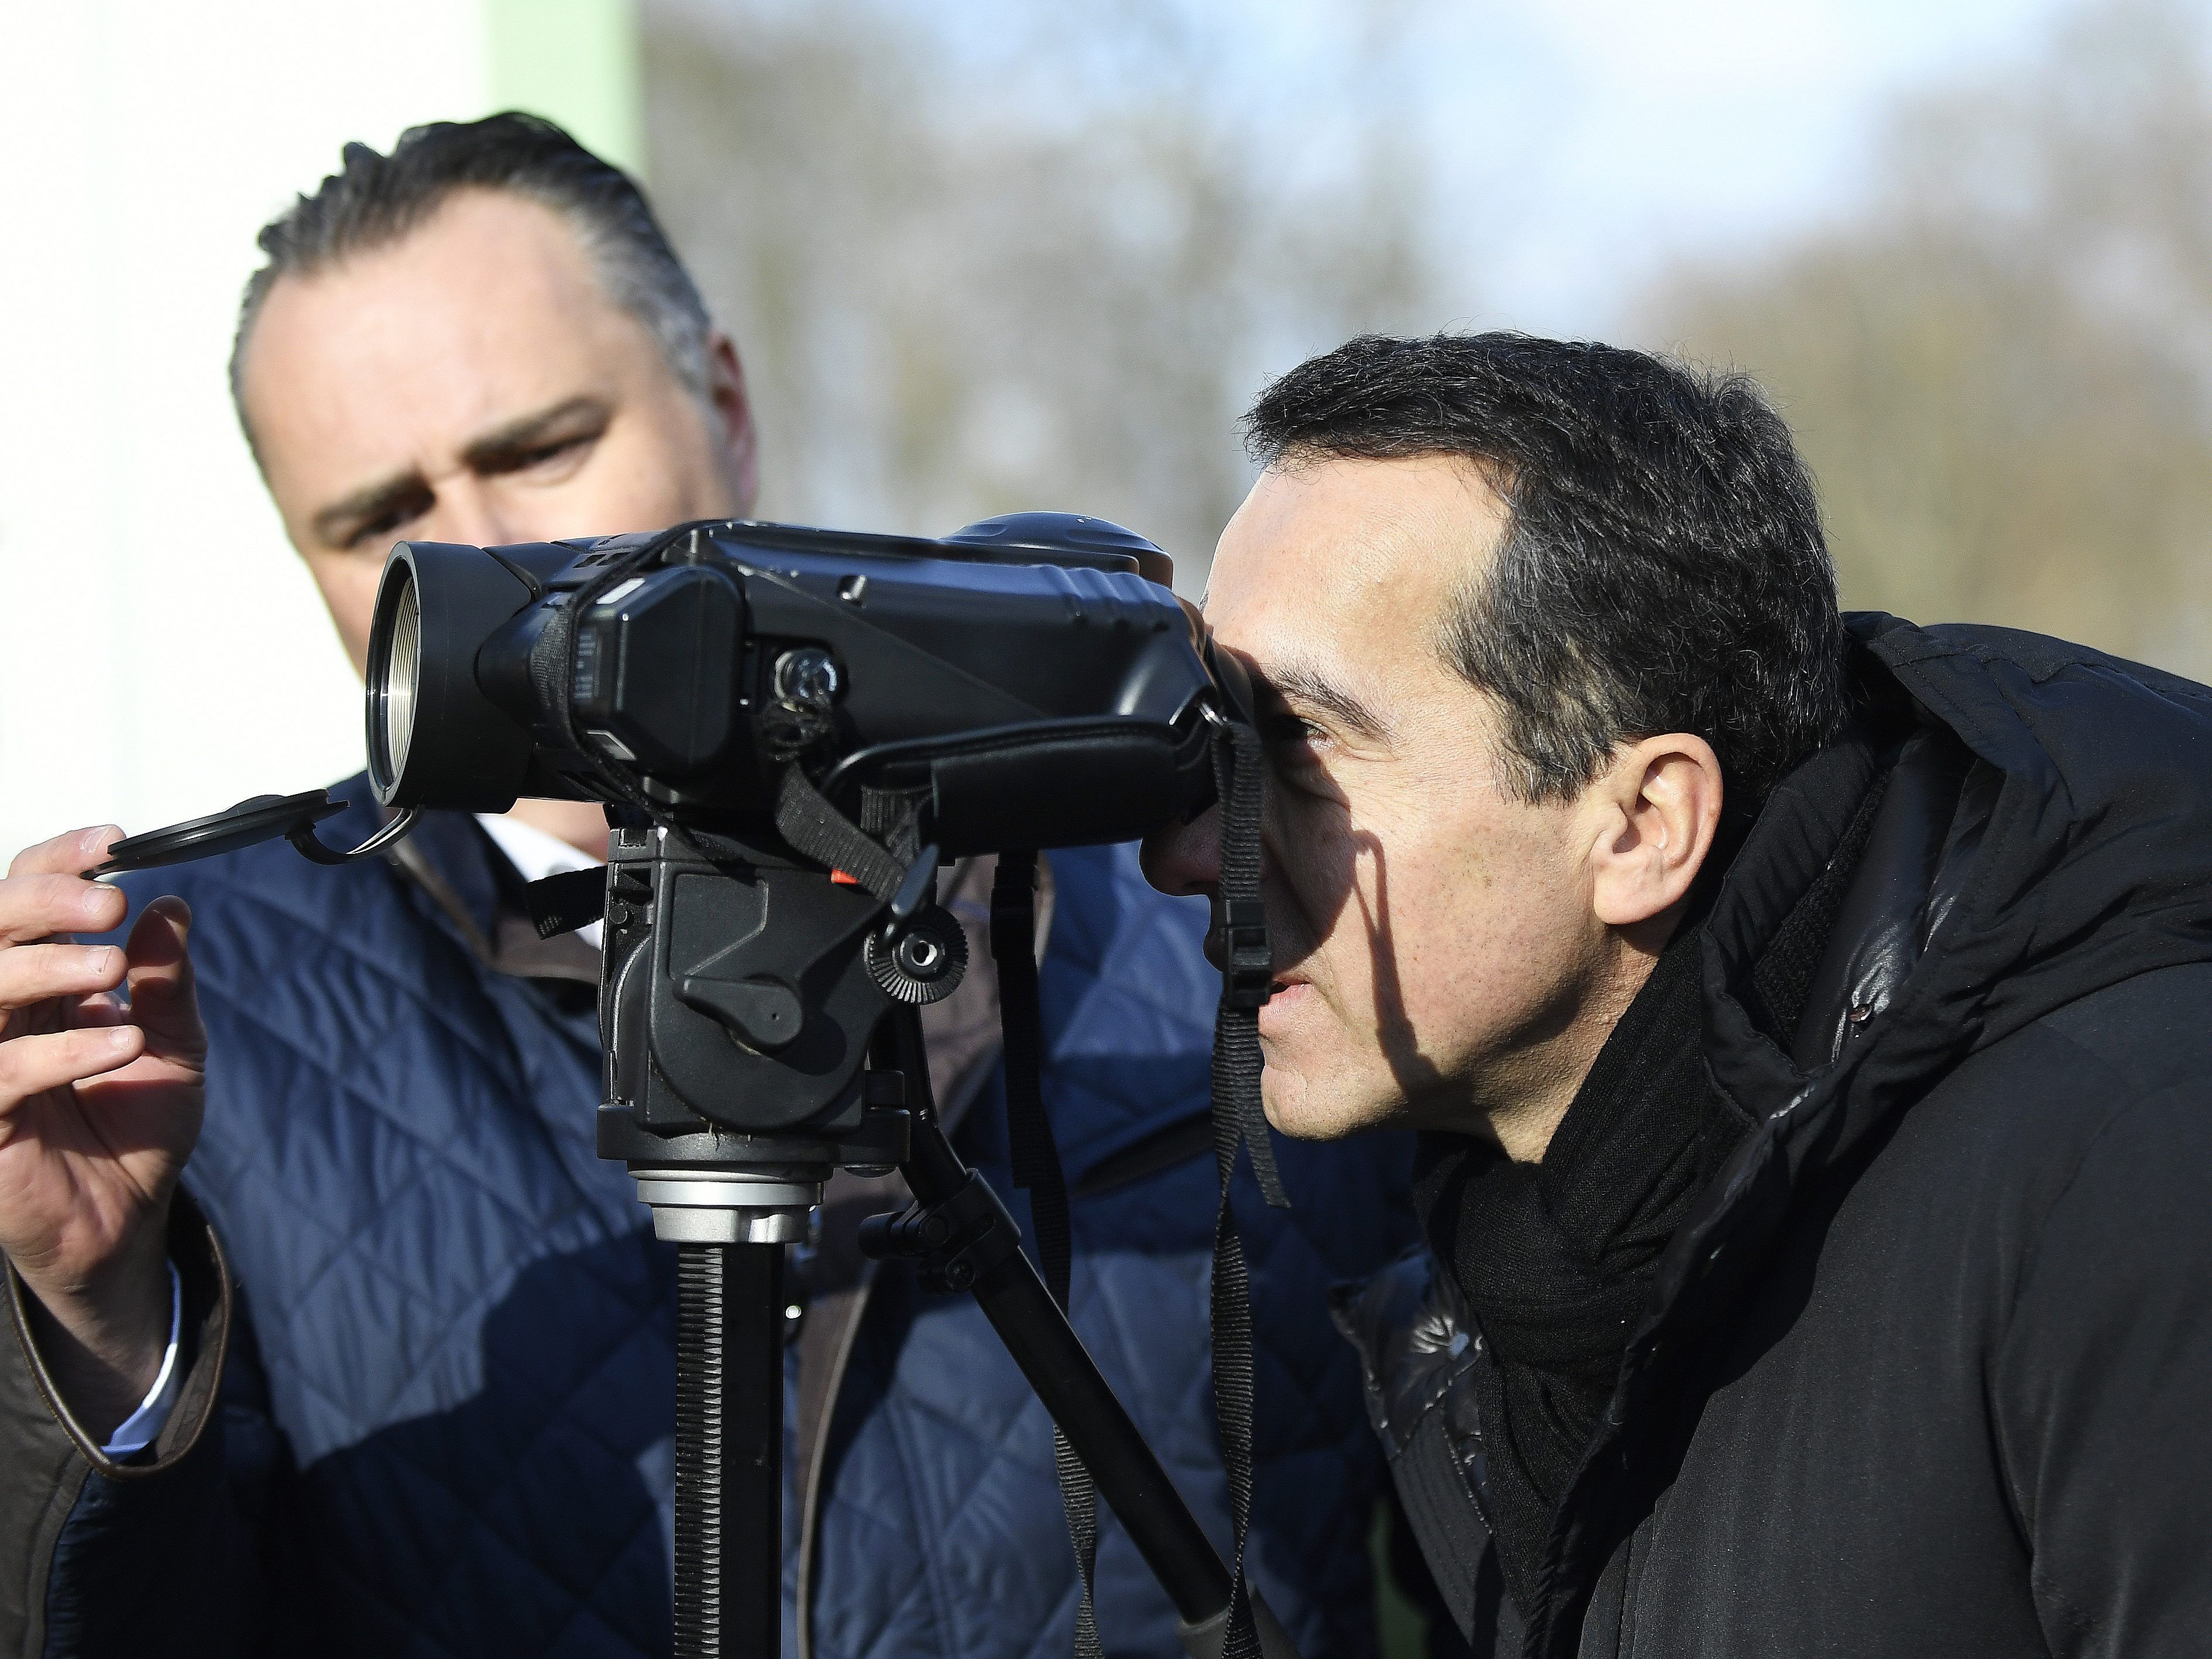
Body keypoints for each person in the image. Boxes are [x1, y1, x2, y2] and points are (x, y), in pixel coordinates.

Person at [0, 116, 1419, 1659]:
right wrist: (87, 1333)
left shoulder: (1186, 884)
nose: (483, 554)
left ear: (723, 406)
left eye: (540, 446)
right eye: (377, 520)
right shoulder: (179, 1014)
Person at [1143, 331, 2212, 1657]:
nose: (1189, 856)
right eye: (1215, 739)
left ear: (1644, 824)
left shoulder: (2136, 1179)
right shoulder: (1511, 1273)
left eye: (1299, 745)